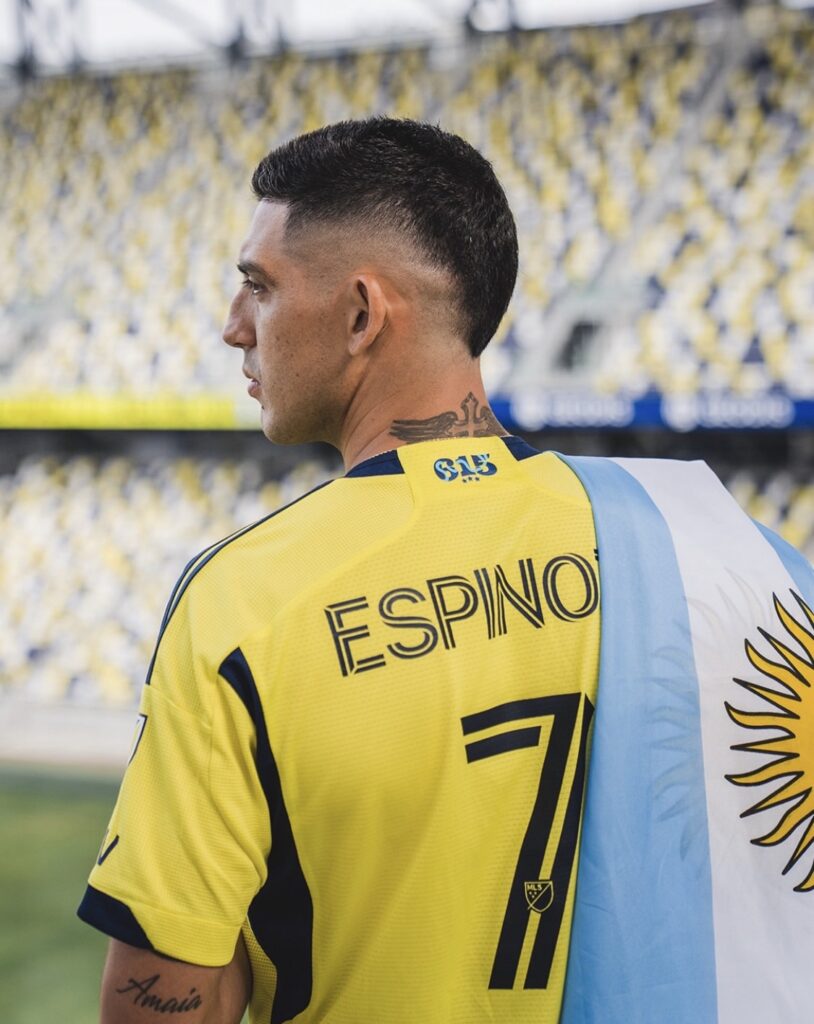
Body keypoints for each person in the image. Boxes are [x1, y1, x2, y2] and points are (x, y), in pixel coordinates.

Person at [79, 118, 814, 1024]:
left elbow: (165, 1000)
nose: (235, 327)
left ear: (361, 315)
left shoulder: (245, 599)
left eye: (259, 287)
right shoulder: (732, 555)